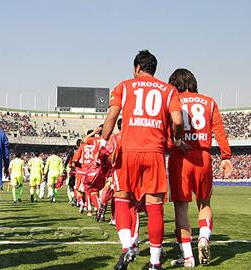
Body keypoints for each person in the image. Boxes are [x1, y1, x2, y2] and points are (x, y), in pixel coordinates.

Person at [100, 50, 185, 270]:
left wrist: (103, 142)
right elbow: (177, 119)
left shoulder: (125, 86)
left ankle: (127, 246)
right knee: (155, 206)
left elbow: (112, 116)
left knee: (122, 199)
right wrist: (176, 137)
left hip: (128, 151)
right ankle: (155, 263)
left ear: (137, 68)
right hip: (154, 153)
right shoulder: (169, 90)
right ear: (154, 69)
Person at [167, 69, 233, 267]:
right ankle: (204, 237)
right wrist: (226, 156)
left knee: (181, 208)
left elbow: (167, 130)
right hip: (203, 156)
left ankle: (188, 257)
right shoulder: (209, 101)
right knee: (204, 204)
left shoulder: (173, 100)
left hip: (181, 157)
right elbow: (219, 130)